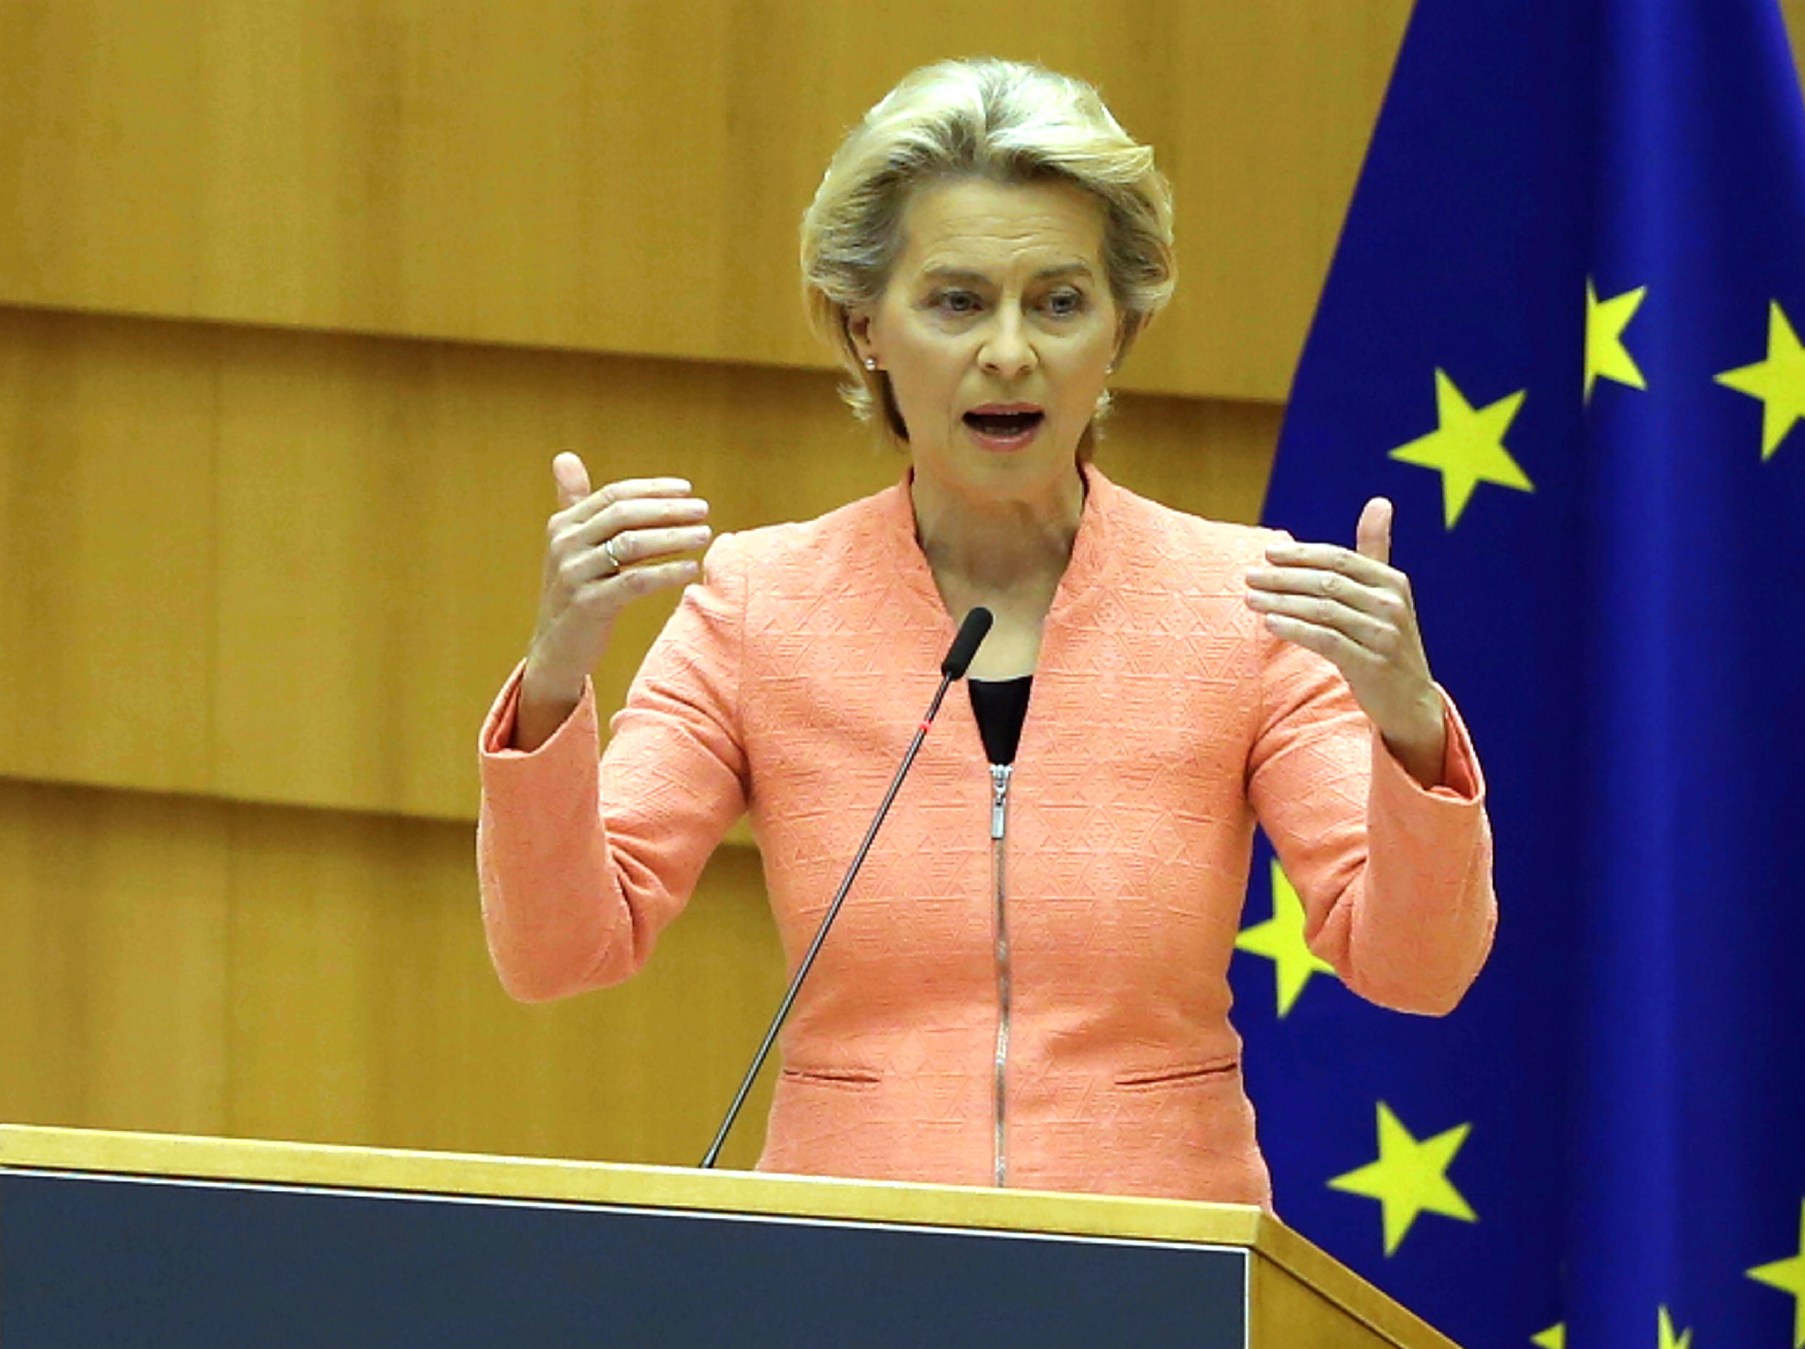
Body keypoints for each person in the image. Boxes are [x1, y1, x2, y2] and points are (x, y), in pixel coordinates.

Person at [477, 58, 1494, 1208]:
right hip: (850, 1258)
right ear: (866, 326)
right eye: (957, 302)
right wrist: (555, 678)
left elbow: (1417, 970)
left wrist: (1409, 728)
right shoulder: (757, 605)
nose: (1010, 352)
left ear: (1120, 329)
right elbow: (561, 953)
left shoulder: (1244, 605)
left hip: (1157, 1262)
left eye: (1058, 303)